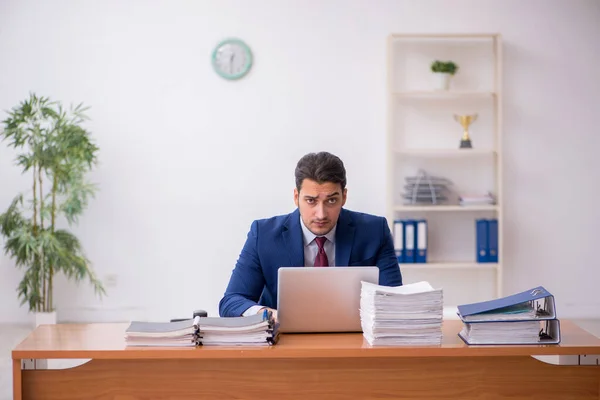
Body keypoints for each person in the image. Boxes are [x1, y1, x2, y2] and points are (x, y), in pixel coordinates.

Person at [218, 151, 403, 318]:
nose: (321, 214)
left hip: (355, 341)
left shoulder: (374, 231)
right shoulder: (263, 235)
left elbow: (394, 300)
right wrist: (270, 315)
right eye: (311, 201)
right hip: (285, 344)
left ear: (344, 197)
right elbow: (231, 301)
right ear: (296, 197)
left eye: (331, 200)